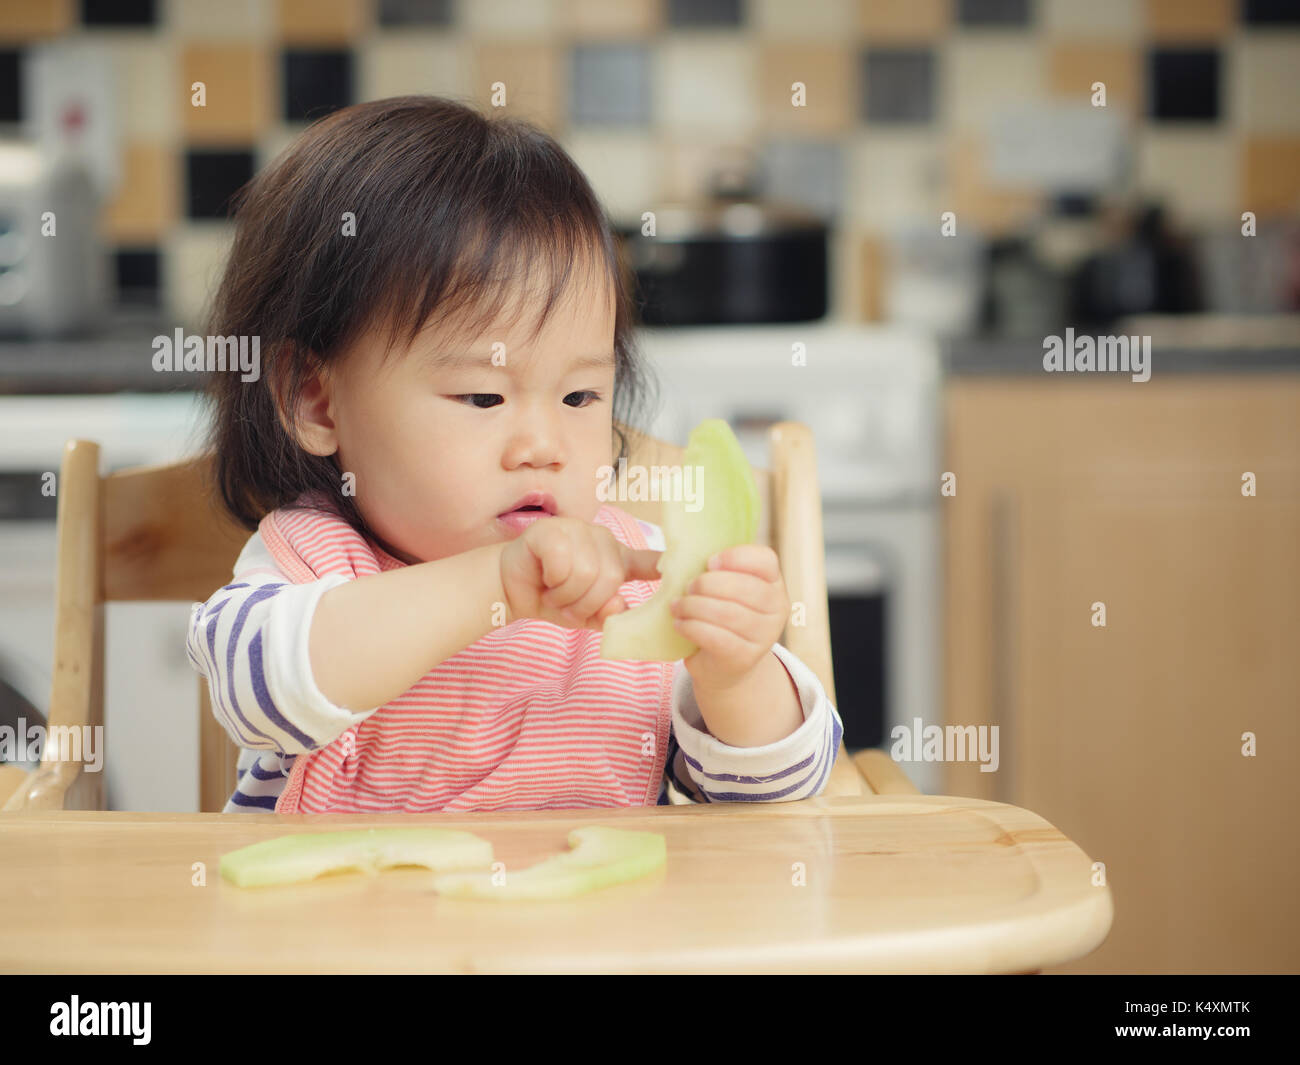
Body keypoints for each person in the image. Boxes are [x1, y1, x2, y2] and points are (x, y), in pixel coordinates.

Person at [186, 95, 842, 813]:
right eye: (484, 399)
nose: (543, 447)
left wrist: (734, 673)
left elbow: (777, 797)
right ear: (316, 400)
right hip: (350, 924)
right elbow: (256, 692)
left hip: (602, 924)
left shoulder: (640, 580)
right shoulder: (310, 566)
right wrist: (494, 585)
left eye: (580, 398)